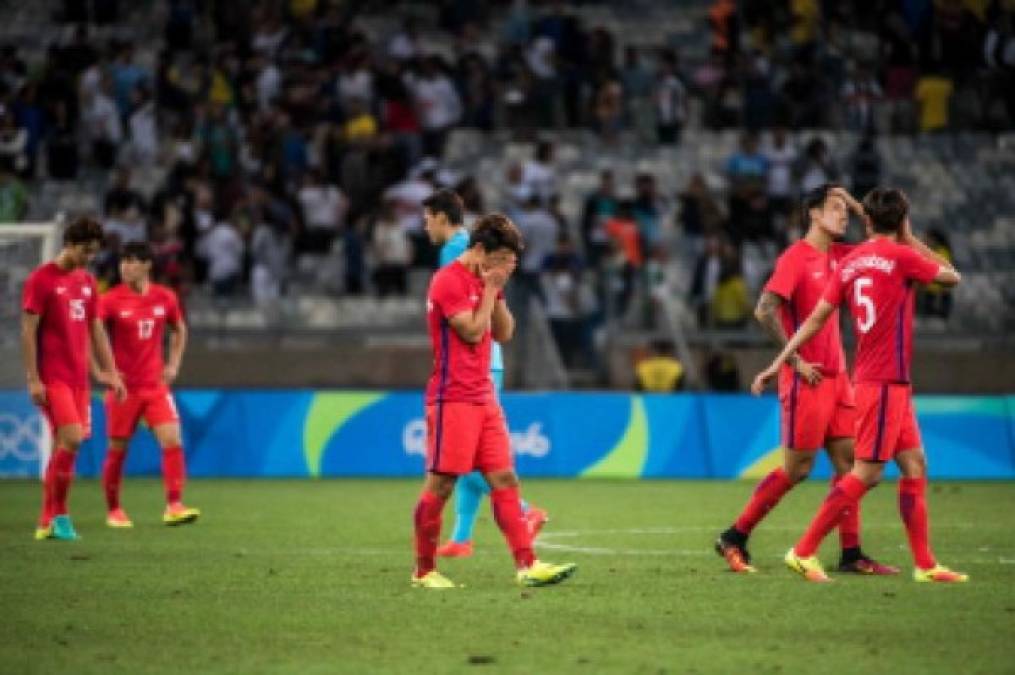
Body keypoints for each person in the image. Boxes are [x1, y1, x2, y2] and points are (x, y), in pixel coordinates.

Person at [751, 187, 967, 584]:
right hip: (882, 382)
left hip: (883, 381)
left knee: (914, 463)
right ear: (901, 221)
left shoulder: (850, 264)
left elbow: (814, 319)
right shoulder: (901, 256)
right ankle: (803, 551)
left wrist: (778, 363)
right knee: (865, 473)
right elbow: (952, 277)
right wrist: (907, 234)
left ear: (866, 221)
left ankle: (925, 564)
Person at [715, 185, 896, 575]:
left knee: (851, 466)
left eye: (844, 211)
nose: (843, 216)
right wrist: (793, 360)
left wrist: (851, 201)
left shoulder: (842, 256)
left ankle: (851, 554)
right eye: (834, 209)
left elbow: (885, 236)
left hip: (839, 378)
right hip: (806, 380)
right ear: (813, 214)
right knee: (797, 469)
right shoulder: (796, 258)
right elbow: (765, 310)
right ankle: (736, 535)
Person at [412, 213, 575, 589]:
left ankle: (527, 565)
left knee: (504, 477)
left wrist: (496, 290)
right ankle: (423, 571)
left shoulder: (486, 279)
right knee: (441, 486)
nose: (507, 267)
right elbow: (470, 331)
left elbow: (503, 332)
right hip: (452, 397)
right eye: (503, 259)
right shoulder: (447, 280)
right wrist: (489, 291)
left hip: (484, 396)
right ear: (481, 250)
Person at [419, 189, 547, 560]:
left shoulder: (460, 255)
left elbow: (494, 330)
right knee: (462, 469)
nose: (425, 225)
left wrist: (495, 288)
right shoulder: (460, 266)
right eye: (503, 258)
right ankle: (458, 540)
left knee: (483, 464)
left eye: (428, 218)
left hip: (481, 370)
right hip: (468, 376)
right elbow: (462, 320)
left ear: (442, 217)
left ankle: (521, 516)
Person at [22, 217, 126, 541]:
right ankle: (62, 516)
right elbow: (28, 331)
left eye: (93, 253)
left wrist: (110, 372)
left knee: (62, 448)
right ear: (68, 244)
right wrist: (33, 379)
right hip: (53, 378)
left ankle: (45, 517)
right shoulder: (41, 280)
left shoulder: (87, 281)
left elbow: (96, 330)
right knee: (73, 438)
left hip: (79, 378)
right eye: (85, 251)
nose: (88, 258)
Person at [97, 242, 200, 528]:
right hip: (123, 389)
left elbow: (179, 329)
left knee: (173, 439)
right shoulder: (110, 300)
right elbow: (91, 335)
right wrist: (104, 371)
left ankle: (174, 504)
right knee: (118, 448)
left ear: (147, 265)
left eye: (132, 261)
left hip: (154, 385)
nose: (125, 267)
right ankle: (114, 510)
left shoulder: (165, 297)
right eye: (123, 261)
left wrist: (173, 364)